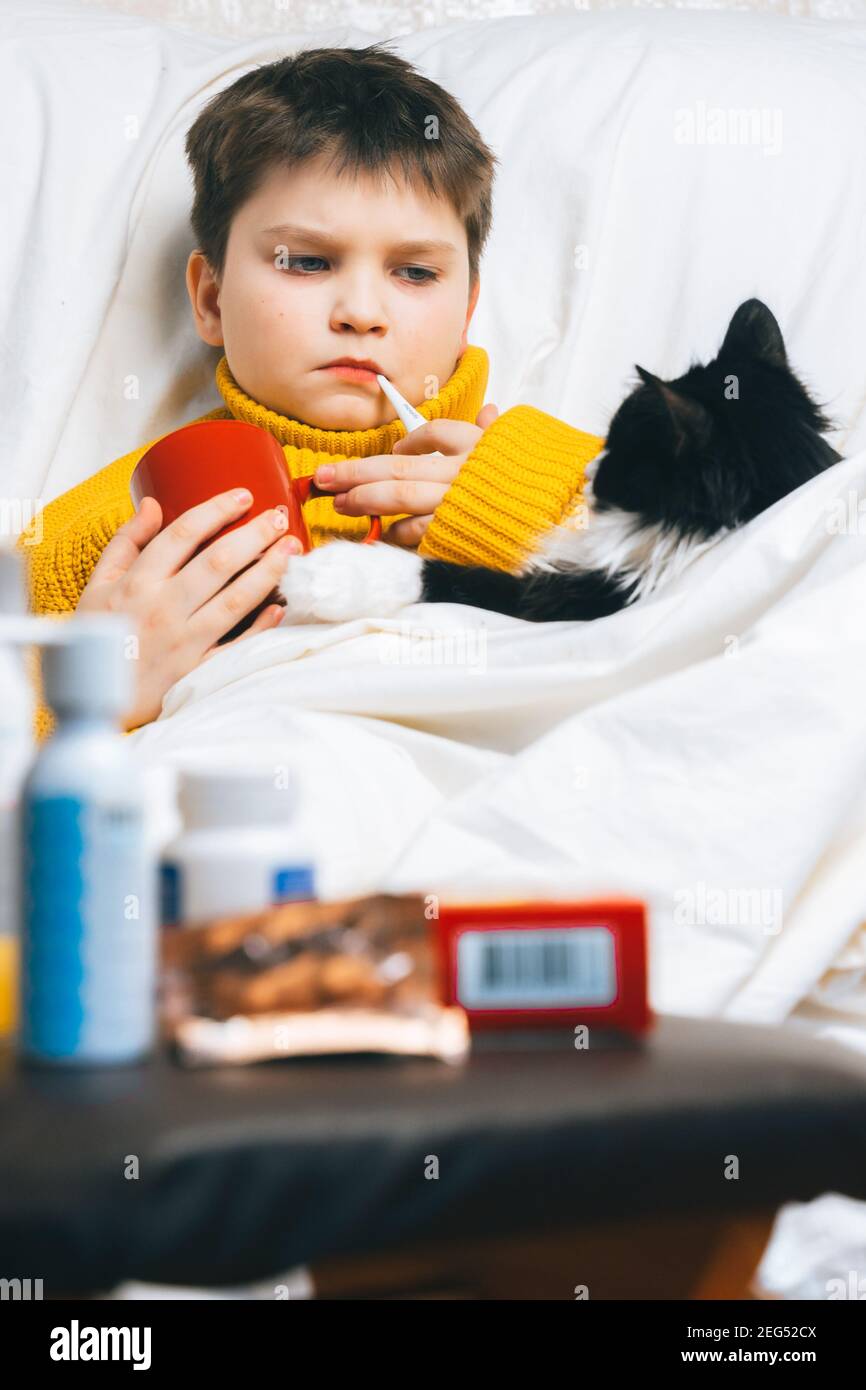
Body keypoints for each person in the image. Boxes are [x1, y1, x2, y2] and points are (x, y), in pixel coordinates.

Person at [19, 43, 604, 739]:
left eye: (415, 273)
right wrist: (95, 699)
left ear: (468, 311)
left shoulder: (590, 476)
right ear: (210, 299)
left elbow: (713, 629)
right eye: (306, 262)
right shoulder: (118, 532)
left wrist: (513, 505)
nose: (361, 310)